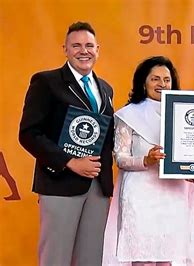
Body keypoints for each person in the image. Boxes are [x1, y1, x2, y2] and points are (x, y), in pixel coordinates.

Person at [102, 56, 194, 266]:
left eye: (167, 80)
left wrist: (193, 171)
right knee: (142, 259)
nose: (162, 84)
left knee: (170, 259)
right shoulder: (128, 115)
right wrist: (146, 160)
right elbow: (121, 159)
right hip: (140, 196)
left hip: (174, 195)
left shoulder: (183, 113)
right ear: (143, 82)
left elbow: (190, 154)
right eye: (155, 79)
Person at [19, 22, 114, 265]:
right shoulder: (46, 82)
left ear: (98, 49)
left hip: (97, 187)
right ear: (65, 49)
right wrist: (70, 162)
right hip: (60, 183)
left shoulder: (105, 89)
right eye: (77, 45)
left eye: (89, 45)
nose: (84, 51)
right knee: (56, 258)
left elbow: (107, 137)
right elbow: (29, 134)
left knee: (91, 259)